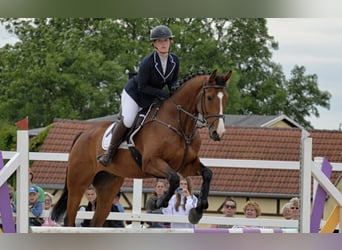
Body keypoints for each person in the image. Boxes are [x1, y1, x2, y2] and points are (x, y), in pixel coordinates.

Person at [97, 24, 180, 167]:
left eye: (166, 40)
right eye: (159, 41)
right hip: (135, 94)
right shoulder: (147, 62)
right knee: (129, 120)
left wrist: (174, 90)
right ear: (154, 44)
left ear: (170, 41)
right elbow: (142, 86)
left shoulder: (174, 60)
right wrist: (162, 93)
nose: (163, 44)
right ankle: (109, 153)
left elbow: (173, 80)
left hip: (153, 96)